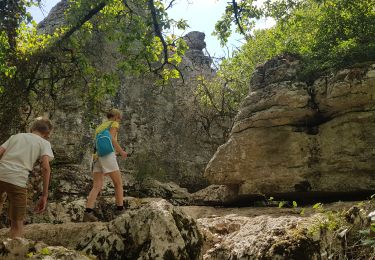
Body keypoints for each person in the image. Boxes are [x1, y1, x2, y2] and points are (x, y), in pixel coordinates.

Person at [0, 117, 54, 238]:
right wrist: (44, 195)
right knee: (17, 225)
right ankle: (13, 251)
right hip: (17, 181)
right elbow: (45, 168)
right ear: (47, 134)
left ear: (31, 128)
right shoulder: (44, 143)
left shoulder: (16, 136)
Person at [83, 108, 128, 222]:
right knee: (118, 183)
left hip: (97, 157)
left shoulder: (100, 127)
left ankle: (88, 212)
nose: (119, 120)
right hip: (107, 155)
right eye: (119, 118)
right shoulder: (114, 123)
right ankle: (120, 209)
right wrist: (121, 151)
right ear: (116, 117)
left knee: (97, 185)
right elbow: (111, 138)